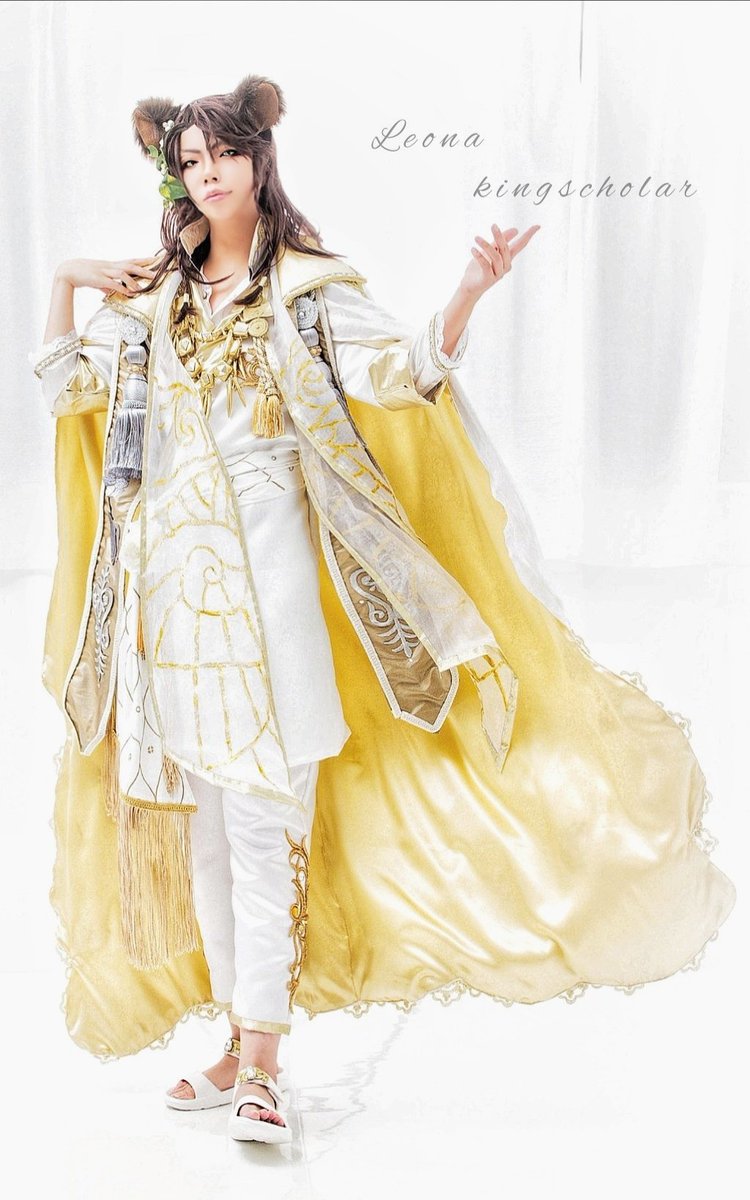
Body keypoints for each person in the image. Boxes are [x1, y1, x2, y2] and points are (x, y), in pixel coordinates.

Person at [31, 74, 736, 1146]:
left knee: (266, 830)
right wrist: (67, 277)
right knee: (206, 838)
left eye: (222, 152)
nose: (206, 172)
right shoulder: (153, 305)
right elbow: (62, 387)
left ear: (258, 159)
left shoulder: (307, 293)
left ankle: (265, 1069)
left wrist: (469, 290)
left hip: (270, 604)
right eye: (189, 159)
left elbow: (404, 371)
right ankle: (235, 1041)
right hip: (170, 611)